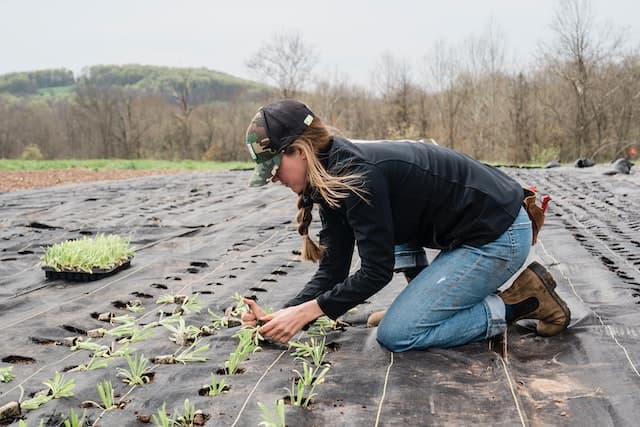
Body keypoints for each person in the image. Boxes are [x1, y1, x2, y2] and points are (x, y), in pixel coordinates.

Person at [241, 99, 570, 352]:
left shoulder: (356, 176)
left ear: (299, 151)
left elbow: (376, 271)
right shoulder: (328, 176)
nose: (274, 179)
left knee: (399, 334)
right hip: (472, 229)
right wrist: (280, 317)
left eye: (274, 169)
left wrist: (305, 313)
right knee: (395, 262)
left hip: (499, 236)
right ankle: (421, 306)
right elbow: (333, 271)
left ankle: (522, 301)